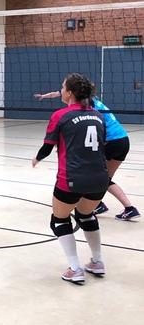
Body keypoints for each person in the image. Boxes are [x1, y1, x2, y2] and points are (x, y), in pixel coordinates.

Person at [32, 73, 110, 284]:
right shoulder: (98, 115)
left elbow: (48, 147)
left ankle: (75, 269)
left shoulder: (61, 115)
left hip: (72, 179)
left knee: (59, 220)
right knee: (86, 216)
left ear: (71, 93)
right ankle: (97, 261)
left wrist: (37, 158)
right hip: (100, 179)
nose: (61, 90)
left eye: (63, 87)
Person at [34, 87, 139, 221]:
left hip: (111, 141)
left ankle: (128, 208)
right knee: (104, 179)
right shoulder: (89, 99)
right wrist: (44, 96)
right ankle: (101, 204)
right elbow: (57, 93)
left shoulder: (87, 107)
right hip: (123, 140)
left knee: (99, 178)